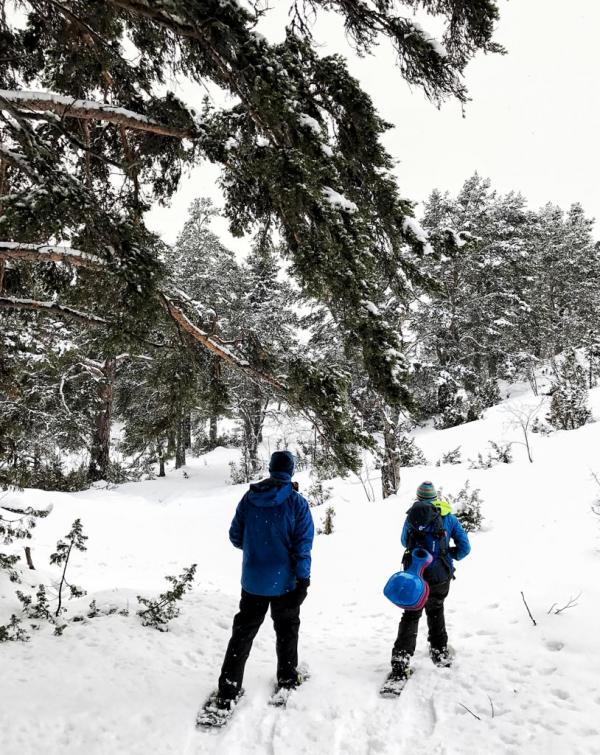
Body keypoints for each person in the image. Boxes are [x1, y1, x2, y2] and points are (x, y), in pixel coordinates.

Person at [214, 450, 314, 709]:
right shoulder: (297, 503)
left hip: (253, 581)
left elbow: (235, 535)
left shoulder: (250, 498)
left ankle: (228, 688)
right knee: (287, 630)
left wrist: (256, 549)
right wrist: (303, 580)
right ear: (290, 470)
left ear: (270, 469)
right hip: (285, 583)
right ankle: (287, 678)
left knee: (243, 633)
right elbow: (303, 547)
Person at [386, 480, 471, 687]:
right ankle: (439, 651)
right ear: (435, 498)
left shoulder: (411, 517)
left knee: (411, 614)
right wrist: (446, 555)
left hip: (415, 575)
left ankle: (400, 661)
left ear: (418, 498)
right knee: (436, 609)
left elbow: (405, 542)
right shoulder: (448, 517)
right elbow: (464, 548)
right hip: (440, 574)